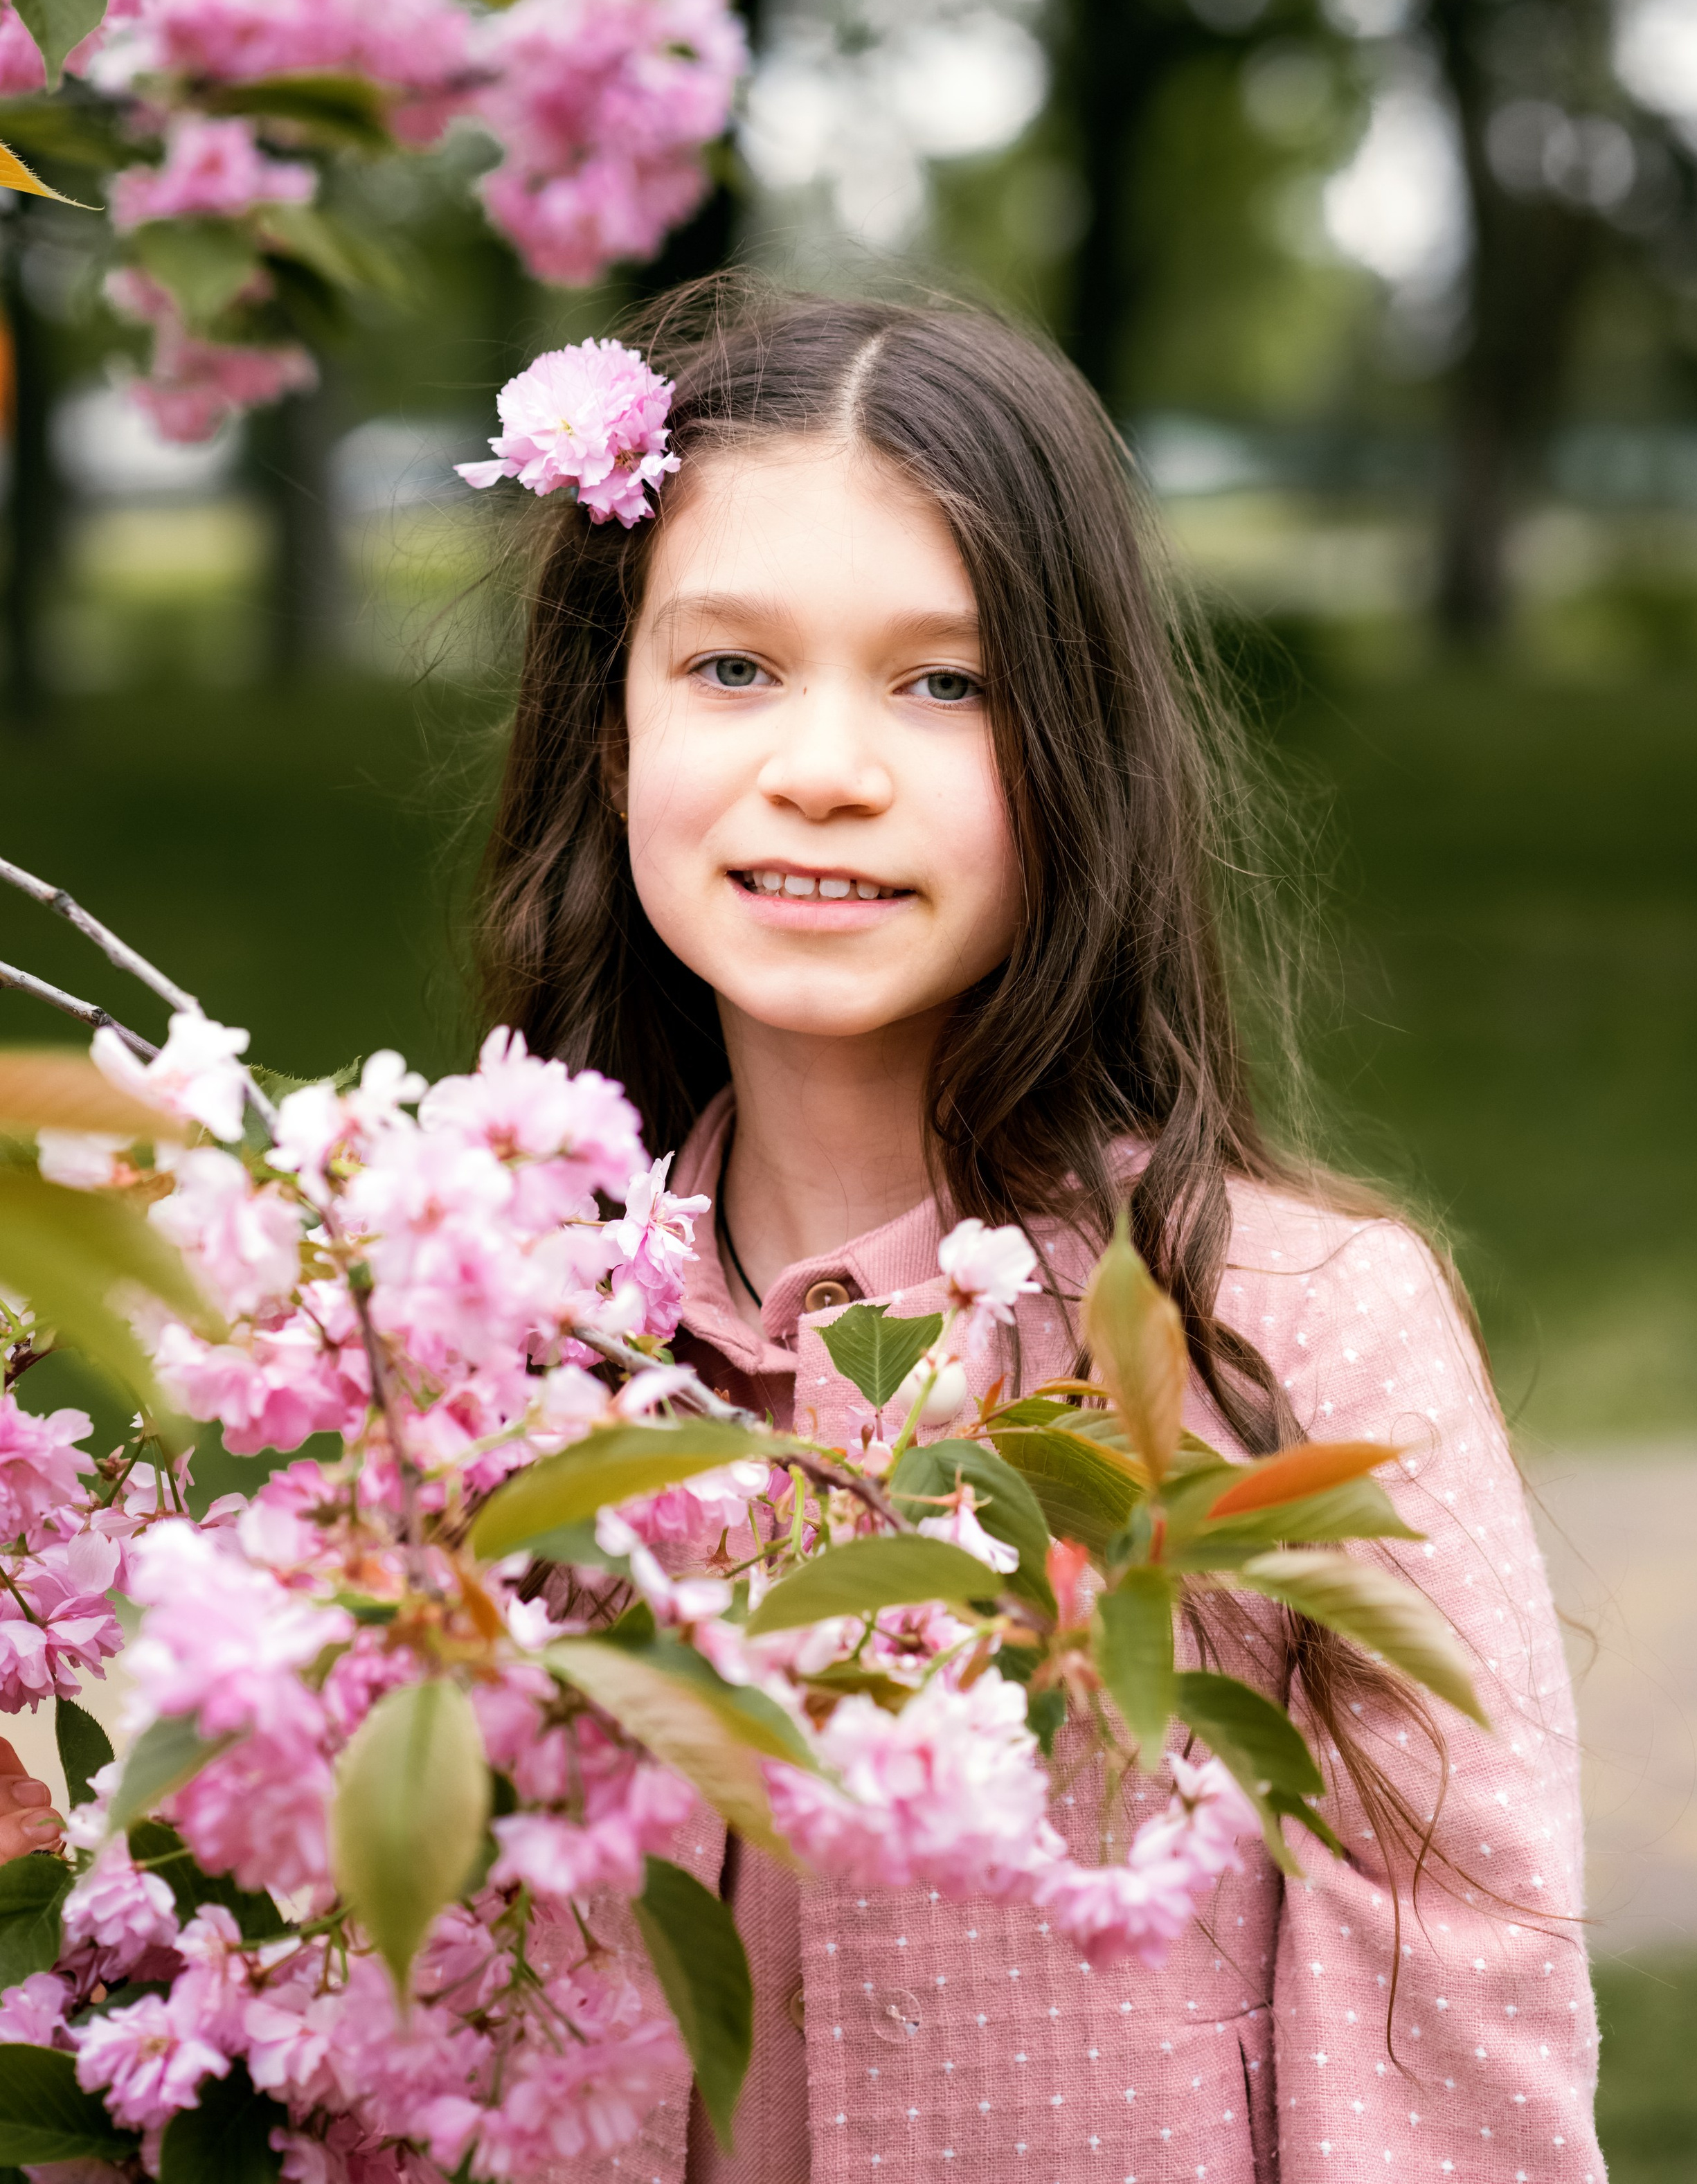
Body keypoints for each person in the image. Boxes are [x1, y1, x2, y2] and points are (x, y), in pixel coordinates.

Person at [477, 285, 1604, 2184]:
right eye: (731, 669)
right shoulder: (478, 1351)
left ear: (1075, 751)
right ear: (608, 734)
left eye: (947, 681)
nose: (825, 766)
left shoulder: (1292, 1335)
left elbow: (1460, 1997)